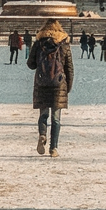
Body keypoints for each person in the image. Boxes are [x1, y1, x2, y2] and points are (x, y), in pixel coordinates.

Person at [26, 18, 74, 156]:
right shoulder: (64, 44)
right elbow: (69, 67)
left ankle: (42, 134)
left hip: (42, 83)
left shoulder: (39, 43)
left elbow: (30, 64)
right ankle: (53, 148)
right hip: (59, 84)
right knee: (56, 118)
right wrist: (68, 87)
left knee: (43, 114)